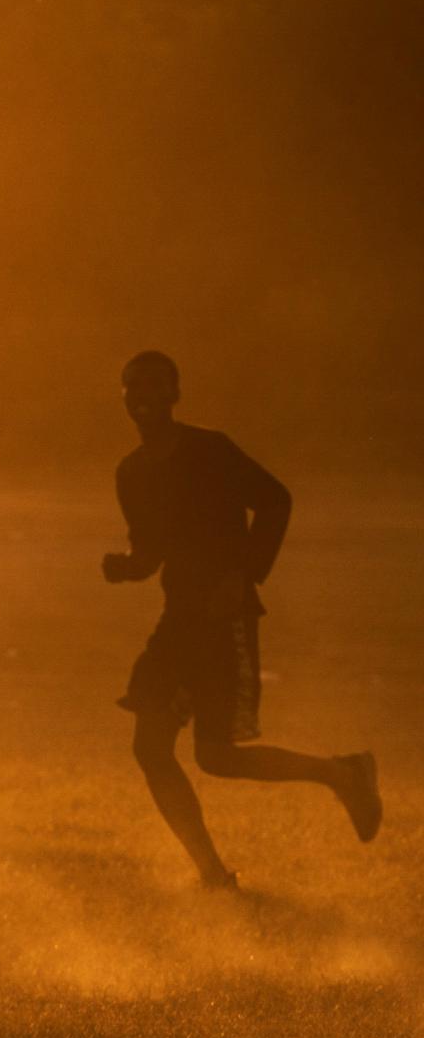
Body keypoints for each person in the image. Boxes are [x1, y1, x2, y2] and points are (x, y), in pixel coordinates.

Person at [104, 351, 380, 885]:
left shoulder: (210, 450)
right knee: (150, 748)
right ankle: (212, 875)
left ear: (175, 395)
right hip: (178, 619)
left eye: (156, 386)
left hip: (224, 619)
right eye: (132, 387)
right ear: (123, 398)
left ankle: (341, 773)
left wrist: (244, 575)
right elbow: (150, 551)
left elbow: (276, 501)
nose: (143, 397)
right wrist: (127, 568)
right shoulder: (131, 473)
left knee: (216, 756)